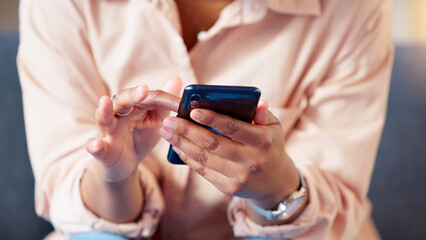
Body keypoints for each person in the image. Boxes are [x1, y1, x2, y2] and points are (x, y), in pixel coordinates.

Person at [17, 0, 394, 239]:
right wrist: (114, 176)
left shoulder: (355, 10)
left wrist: (276, 187)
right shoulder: (60, 6)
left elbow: (337, 201)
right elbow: (67, 194)